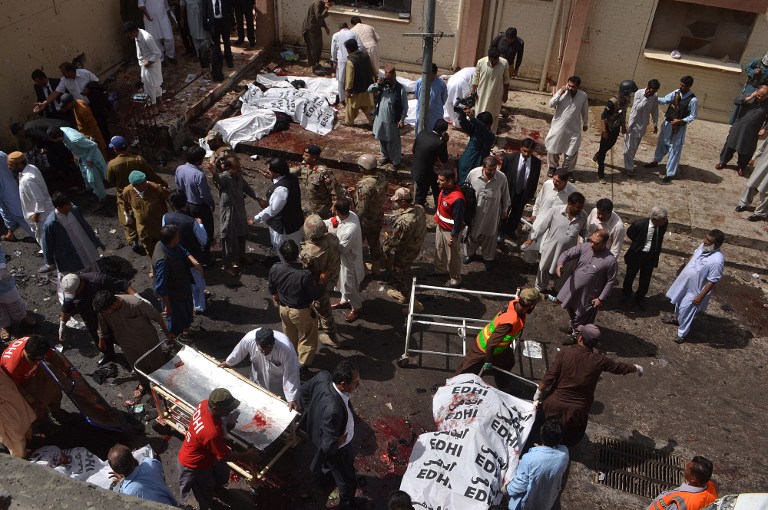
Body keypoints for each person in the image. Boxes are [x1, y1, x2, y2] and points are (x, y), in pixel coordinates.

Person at [535, 324, 642, 447]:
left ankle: (542, 444)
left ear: (580, 338)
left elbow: (549, 377)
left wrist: (537, 394)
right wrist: (635, 367)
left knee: (543, 424)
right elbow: (619, 367)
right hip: (577, 410)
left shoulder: (565, 353)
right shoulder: (600, 360)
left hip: (554, 404)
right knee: (571, 434)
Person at [299, 360, 365, 510]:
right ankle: (347, 503)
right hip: (338, 447)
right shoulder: (334, 410)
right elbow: (329, 447)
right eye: (355, 383)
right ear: (343, 384)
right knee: (347, 479)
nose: (357, 386)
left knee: (325, 465)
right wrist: (337, 441)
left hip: (316, 435)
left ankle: (324, 478)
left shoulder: (323, 376)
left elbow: (303, 392)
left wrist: (315, 414)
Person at [177, 388, 257, 510]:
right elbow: (225, 456)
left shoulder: (204, 404)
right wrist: (247, 455)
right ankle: (208, 505)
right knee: (205, 490)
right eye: (228, 408)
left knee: (218, 477)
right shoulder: (211, 433)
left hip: (204, 453)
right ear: (216, 408)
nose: (232, 409)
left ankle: (214, 492)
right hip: (195, 465)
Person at [454, 288, 540, 389]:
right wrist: (488, 362)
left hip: (500, 348)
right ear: (531, 305)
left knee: (508, 362)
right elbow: (491, 344)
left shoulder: (516, 304)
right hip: (483, 348)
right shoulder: (510, 321)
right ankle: (451, 387)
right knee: (467, 369)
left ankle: (503, 386)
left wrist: (548, 297)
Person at [268, 240, 326, 375]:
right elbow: (314, 295)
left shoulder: (276, 268)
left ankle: (289, 359)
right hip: (301, 312)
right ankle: (301, 366)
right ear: (298, 254)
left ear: (282, 254)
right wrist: (322, 282)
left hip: (283, 310)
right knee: (308, 338)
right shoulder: (304, 275)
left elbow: (272, 287)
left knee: (289, 336)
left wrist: (276, 296)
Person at [105, 135, 168, 254]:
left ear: (115, 149)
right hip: (140, 193)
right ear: (127, 147)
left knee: (126, 217)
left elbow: (109, 180)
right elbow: (150, 174)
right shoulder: (138, 159)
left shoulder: (112, 164)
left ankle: (133, 239)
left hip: (122, 194)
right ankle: (153, 235)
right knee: (142, 213)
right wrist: (162, 183)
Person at [662, 230, 725, 344]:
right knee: (678, 303)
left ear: (717, 244)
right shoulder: (703, 246)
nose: (704, 242)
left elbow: (712, 281)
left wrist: (700, 296)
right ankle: (676, 318)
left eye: (709, 241)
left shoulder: (717, 261)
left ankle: (682, 333)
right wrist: (683, 267)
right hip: (684, 283)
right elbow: (694, 255)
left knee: (687, 310)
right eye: (705, 238)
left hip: (695, 290)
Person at [93, 290, 174, 378]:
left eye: (105, 312)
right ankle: (144, 384)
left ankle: (160, 382)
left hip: (147, 341)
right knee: (138, 366)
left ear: (114, 305)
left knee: (156, 364)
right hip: (126, 344)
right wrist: (101, 339)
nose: (104, 314)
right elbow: (101, 326)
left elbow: (157, 317)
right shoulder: (103, 311)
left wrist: (167, 333)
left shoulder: (136, 304)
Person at [58, 272, 138, 360]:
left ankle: (136, 355)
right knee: (99, 340)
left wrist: (138, 299)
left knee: (122, 337)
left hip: (110, 313)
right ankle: (109, 355)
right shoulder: (70, 290)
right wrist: (62, 325)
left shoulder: (98, 280)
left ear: (81, 284)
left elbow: (123, 286)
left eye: (76, 292)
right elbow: (67, 307)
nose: (75, 295)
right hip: (90, 316)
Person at [555, 229, 617, 342]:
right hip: (573, 288)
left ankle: (577, 334)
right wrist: (560, 264)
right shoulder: (585, 247)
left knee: (582, 315)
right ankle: (573, 325)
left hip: (589, 294)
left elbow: (610, 281)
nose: (592, 245)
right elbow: (566, 254)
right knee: (570, 307)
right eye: (591, 241)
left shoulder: (610, 260)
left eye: (596, 243)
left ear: (604, 243)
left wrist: (601, 298)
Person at [219, 327, 300, 410]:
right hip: (258, 374)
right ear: (256, 343)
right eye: (262, 349)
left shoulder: (286, 349)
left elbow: (291, 372)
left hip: (278, 381)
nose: (265, 352)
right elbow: (239, 351)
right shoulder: (249, 339)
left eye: (268, 349)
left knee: (277, 403)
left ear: (274, 343)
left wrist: (291, 398)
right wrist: (228, 362)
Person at [524, 192, 587, 293]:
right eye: (577, 207)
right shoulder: (555, 211)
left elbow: (584, 232)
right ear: (570, 204)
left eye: (581, 207)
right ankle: (540, 288)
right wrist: (532, 239)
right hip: (551, 248)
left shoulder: (583, 216)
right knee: (543, 268)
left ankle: (557, 290)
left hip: (568, 252)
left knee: (564, 272)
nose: (579, 210)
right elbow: (542, 227)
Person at [505, 419, 569, 510]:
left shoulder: (529, 458)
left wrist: (508, 489)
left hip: (529, 501)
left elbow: (520, 484)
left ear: (541, 434)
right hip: (548, 497)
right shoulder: (564, 453)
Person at [644, 76, 698, 183]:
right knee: (661, 142)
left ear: (689, 86)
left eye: (683, 85)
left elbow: (693, 116)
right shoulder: (676, 92)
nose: (681, 87)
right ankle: (656, 161)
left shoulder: (693, 100)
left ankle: (670, 173)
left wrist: (681, 121)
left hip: (678, 127)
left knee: (675, 149)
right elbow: (665, 100)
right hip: (667, 123)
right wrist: (654, 97)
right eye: (680, 84)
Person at [42, 192, 104, 284]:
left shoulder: (74, 210)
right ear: (59, 207)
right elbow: (47, 244)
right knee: (77, 276)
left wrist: (95, 240)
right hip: (70, 255)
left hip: (85, 245)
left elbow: (85, 226)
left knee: (93, 266)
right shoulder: (51, 224)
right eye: (67, 204)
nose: (70, 205)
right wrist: (50, 262)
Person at [210, 155, 257, 275]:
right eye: (236, 168)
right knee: (228, 238)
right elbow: (218, 179)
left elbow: (247, 188)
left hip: (240, 211)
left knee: (242, 233)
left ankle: (241, 254)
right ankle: (227, 263)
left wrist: (258, 198)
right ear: (228, 168)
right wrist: (214, 172)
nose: (238, 171)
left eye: (239, 168)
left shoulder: (238, 177)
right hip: (229, 213)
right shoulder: (224, 177)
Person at [163, 190, 208, 313]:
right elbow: (203, 240)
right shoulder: (192, 222)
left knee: (181, 283)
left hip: (174, 258)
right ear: (186, 201)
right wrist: (201, 225)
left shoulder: (165, 217)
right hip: (192, 259)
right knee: (197, 285)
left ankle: (187, 302)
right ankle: (198, 307)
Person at [251, 158, 305, 263]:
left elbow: (272, 210)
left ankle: (285, 268)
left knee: (285, 250)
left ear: (277, 172)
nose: (268, 172)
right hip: (294, 222)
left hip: (284, 226)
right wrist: (271, 178)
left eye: (270, 171)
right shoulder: (292, 178)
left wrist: (255, 219)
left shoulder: (281, 190)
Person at [153, 225, 202, 337]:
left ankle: (186, 329)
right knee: (175, 321)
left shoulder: (167, 244)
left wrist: (195, 262)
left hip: (182, 288)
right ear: (172, 240)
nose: (179, 237)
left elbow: (182, 250)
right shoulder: (163, 261)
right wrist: (168, 306)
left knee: (186, 313)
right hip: (174, 296)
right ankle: (172, 341)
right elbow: (160, 288)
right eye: (177, 236)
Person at [300, 215, 341, 348]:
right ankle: (318, 321)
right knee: (319, 306)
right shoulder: (332, 238)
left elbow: (305, 272)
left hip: (318, 285)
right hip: (332, 277)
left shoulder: (308, 253)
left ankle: (332, 337)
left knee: (324, 311)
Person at [384, 187, 427, 312]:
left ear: (403, 201)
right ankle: (403, 294)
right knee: (404, 271)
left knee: (398, 276)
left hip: (405, 252)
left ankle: (414, 303)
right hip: (415, 247)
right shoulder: (420, 209)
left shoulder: (404, 221)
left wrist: (385, 249)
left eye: (397, 201)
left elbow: (394, 240)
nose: (396, 203)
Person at [1, 335, 64, 420]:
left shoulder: (36, 345)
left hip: (33, 371)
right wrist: (32, 401)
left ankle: (55, 410)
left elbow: (52, 356)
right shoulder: (12, 368)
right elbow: (17, 387)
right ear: (30, 355)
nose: (45, 357)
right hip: (21, 383)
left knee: (55, 388)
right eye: (41, 357)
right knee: (37, 407)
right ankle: (43, 422)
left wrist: (65, 369)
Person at [463, 156, 510, 270]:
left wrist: (505, 210)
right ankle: (470, 254)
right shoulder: (473, 174)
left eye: (494, 169)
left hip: (492, 213)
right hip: (475, 212)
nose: (493, 172)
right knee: (472, 233)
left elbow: (505, 194)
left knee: (490, 235)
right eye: (490, 170)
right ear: (483, 167)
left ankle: (488, 257)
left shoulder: (501, 177)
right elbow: (465, 189)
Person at [48, 127, 108, 208]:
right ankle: (89, 190)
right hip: (82, 157)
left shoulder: (74, 139)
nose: (52, 141)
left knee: (94, 179)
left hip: (91, 158)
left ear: (58, 137)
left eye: (53, 139)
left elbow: (93, 145)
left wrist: (89, 159)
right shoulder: (62, 130)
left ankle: (102, 199)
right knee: (85, 176)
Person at [621, 206, 668, 311]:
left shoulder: (663, 224)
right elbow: (630, 234)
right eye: (663, 219)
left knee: (645, 279)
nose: (665, 221)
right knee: (630, 275)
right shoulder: (639, 224)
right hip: (637, 254)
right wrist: (639, 243)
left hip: (651, 256)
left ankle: (640, 297)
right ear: (655, 219)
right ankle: (626, 294)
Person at [176, 146, 216, 264]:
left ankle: (193, 254)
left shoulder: (180, 169)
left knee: (191, 231)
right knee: (206, 232)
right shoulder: (199, 174)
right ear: (199, 160)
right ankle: (205, 260)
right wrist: (211, 203)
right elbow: (205, 195)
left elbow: (178, 186)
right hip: (199, 208)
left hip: (186, 205)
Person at [717, 85, 768, 176]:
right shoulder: (749, 96)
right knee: (730, 145)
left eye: (762, 96)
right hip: (738, 126)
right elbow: (736, 101)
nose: (759, 97)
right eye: (758, 95)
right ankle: (723, 162)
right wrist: (751, 97)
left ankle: (741, 167)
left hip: (753, 130)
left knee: (747, 149)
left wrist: (764, 128)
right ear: (756, 92)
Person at [123, 170, 170, 271]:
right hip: (144, 228)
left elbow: (168, 197)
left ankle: (169, 265)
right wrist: (127, 215)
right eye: (141, 184)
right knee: (149, 249)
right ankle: (154, 267)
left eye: (145, 182)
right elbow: (125, 204)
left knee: (165, 246)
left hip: (160, 225)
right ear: (134, 185)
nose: (144, 185)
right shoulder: (128, 191)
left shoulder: (155, 187)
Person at [327, 198, 364, 323]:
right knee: (342, 282)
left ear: (337, 211)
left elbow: (341, 250)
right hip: (343, 261)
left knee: (350, 287)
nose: (331, 209)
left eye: (333, 207)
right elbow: (333, 222)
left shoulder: (350, 230)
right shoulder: (350, 215)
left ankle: (356, 307)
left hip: (350, 262)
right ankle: (344, 301)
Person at [6, 152, 54, 247]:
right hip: (45, 213)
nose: (9, 167)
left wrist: (36, 215)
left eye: (10, 165)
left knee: (47, 243)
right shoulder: (31, 168)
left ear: (19, 164)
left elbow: (39, 199)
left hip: (41, 217)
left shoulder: (27, 179)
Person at [593, 80, 637, 183]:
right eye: (630, 93)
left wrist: (623, 126)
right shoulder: (612, 102)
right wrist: (604, 131)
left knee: (611, 144)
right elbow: (603, 116)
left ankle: (598, 155)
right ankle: (600, 175)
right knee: (603, 151)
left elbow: (623, 113)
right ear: (626, 92)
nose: (631, 95)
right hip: (607, 128)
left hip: (616, 128)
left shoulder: (626, 101)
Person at [544, 76, 589, 175]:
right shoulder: (561, 93)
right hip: (558, 127)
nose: (570, 88)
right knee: (553, 147)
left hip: (574, 129)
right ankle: (552, 167)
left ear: (578, 87)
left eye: (573, 87)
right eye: (569, 85)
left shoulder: (583, 96)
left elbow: (585, 110)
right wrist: (560, 93)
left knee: (572, 151)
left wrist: (585, 123)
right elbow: (551, 104)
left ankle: (567, 172)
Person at [107, 444, 178, 506]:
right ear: (132, 457)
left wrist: (123, 481)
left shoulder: (127, 493)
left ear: (116, 471)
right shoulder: (151, 463)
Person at [499, 138, 541, 241]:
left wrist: (529, 195)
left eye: (529, 152)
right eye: (524, 150)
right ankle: (500, 232)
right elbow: (502, 175)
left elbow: (534, 180)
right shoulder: (510, 158)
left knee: (516, 214)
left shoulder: (536, 163)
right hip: (508, 192)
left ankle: (510, 231)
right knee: (503, 213)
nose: (526, 154)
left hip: (523, 193)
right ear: (520, 148)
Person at [369, 66, 409, 169]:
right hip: (380, 119)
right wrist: (378, 84)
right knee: (382, 140)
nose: (389, 81)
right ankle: (385, 156)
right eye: (387, 79)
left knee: (393, 143)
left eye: (391, 79)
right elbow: (369, 89)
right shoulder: (383, 86)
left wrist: (402, 119)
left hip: (392, 121)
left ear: (395, 76)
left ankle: (396, 161)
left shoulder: (400, 89)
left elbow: (405, 106)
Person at [353, 154, 387, 273]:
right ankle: (376, 266)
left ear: (364, 168)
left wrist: (354, 221)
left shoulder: (365, 185)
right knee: (374, 240)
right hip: (378, 215)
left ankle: (362, 268)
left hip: (366, 220)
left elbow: (361, 210)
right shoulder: (381, 177)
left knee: (358, 242)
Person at [431, 168, 465, 288]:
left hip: (450, 232)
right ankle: (440, 270)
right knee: (439, 248)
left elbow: (459, 219)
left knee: (452, 257)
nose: (437, 182)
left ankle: (455, 279)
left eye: (441, 180)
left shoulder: (457, 199)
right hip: (440, 227)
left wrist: (454, 235)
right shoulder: (444, 190)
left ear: (450, 181)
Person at [124, 21, 165, 117]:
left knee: (150, 87)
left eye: (128, 33)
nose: (127, 36)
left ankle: (154, 108)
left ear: (133, 31)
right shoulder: (136, 36)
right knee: (154, 86)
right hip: (145, 65)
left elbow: (158, 53)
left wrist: (149, 62)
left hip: (151, 65)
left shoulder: (147, 38)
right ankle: (161, 105)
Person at [647, 456, 717, 510]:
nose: (685, 470)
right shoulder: (711, 486)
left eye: (687, 469)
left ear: (693, 479)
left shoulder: (680, 504)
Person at [0, 243, 36, 342]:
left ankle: (22, 317)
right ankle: (4, 325)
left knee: (13, 300)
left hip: (2, 281)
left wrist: (1, 268)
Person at [623, 79, 660, 177]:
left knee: (634, 146)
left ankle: (628, 160)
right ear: (648, 88)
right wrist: (645, 98)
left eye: (655, 91)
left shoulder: (655, 96)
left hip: (643, 125)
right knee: (630, 146)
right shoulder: (639, 93)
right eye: (652, 91)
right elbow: (637, 109)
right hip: (634, 123)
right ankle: (629, 168)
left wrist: (655, 123)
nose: (653, 93)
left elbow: (655, 110)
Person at [33, 62, 99, 114]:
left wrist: (89, 89)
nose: (63, 75)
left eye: (64, 73)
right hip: (82, 108)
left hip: (94, 104)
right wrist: (44, 103)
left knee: (101, 125)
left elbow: (97, 82)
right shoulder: (64, 80)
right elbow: (55, 93)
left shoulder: (84, 73)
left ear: (70, 71)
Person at [411, 118, 449, 207]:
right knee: (433, 193)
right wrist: (445, 143)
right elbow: (444, 159)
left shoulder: (421, 134)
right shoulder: (439, 143)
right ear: (443, 132)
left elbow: (413, 150)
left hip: (417, 169)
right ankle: (422, 211)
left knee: (421, 194)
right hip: (426, 174)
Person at [57, 94, 108, 159]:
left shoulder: (82, 110)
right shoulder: (78, 102)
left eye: (67, 105)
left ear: (71, 102)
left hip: (92, 135)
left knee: (100, 154)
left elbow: (92, 125)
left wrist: (93, 138)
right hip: (86, 134)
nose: (66, 107)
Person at [298, 145, 343, 219]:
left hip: (323, 209)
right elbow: (296, 170)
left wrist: (334, 206)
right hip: (311, 205)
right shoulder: (305, 166)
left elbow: (335, 191)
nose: (303, 157)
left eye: (306, 155)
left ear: (314, 158)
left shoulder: (323, 172)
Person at [472, 47, 510, 134]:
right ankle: (477, 135)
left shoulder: (504, 63)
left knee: (494, 116)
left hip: (496, 95)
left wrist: (505, 95)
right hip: (482, 95)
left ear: (498, 58)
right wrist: (473, 93)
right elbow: (475, 79)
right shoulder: (481, 62)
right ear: (488, 57)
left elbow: (506, 81)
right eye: (491, 60)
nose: (493, 63)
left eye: (495, 61)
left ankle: (491, 138)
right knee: (479, 115)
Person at [0, 368, 36, 458]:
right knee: (14, 434)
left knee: (21, 419)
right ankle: (21, 456)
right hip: (4, 408)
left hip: (8, 395)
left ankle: (28, 441)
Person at [0, 152, 34, 241]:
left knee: (23, 218)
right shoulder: (2, 154)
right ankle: (10, 233)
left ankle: (42, 239)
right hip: (15, 191)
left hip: (10, 198)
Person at [456, 107, 495, 184]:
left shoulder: (489, 136)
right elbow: (464, 123)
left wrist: (473, 119)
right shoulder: (475, 132)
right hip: (463, 168)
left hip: (474, 168)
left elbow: (482, 128)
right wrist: (462, 113)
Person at [344, 39, 376, 127]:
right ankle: (373, 122)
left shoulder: (351, 62)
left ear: (348, 50)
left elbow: (349, 78)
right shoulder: (366, 56)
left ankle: (349, 122)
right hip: (367, 87)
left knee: (351, 107)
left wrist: (348, 90)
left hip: (356, 89)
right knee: (367, 107)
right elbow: (374, 70)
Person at [735, 137, 768, 221]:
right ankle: (744, 203)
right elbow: (763, 147)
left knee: (765, 191)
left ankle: (759, 214)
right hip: (762, 165)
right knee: (751, 184)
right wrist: (754, 157)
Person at [730, 52, 768, 124]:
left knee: (756, 108)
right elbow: (747, 68)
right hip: (751, 87)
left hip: (763, 91)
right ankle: (735, 122)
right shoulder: (758, 60)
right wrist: (753, 72)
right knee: (743, 102)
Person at [330, 23, 363, 103]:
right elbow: (361, 46)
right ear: (347, 27)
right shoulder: (353, 34)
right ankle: (353, 97)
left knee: (341, 80)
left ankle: (342, 99)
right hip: (353, 59)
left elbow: (333, 50)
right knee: (352, 77)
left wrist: (334, 60)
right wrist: (357, 56)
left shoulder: (336, 35)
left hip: (341, 60)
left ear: (339, 28)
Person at [205, 0, 234, 82]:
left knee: (226, 42)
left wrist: (232, 23)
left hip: (224, 22)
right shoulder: (208, 1)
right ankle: (218, 60)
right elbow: (206, 12)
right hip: (214, 24)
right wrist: (206, 24)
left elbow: (230, 10)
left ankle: (229, 59)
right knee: (216, 45)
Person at [180, 0, 212, 73]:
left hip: (202, 14)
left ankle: (207, 55)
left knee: (205, 35)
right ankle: (199, 56)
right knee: (194, 35)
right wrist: (181, 17)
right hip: (191, 15)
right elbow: (182, 4)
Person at [415, 64, 448, 134]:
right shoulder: (420, 82)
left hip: (435, 116)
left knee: (434, 136)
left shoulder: (441, 85)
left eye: (430, 74)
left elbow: (444, 99)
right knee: (420, 135)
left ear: (435, 74)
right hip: (421, 114)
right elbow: (418, 96)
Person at [303, 0, 334, 70]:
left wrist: (325, 27)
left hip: (316, 28)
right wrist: (326, 9)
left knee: (319, 47)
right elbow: (319, 17)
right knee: (312, 48)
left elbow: (321, 18)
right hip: (310, 29)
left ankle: (316, 63)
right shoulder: (317, 4)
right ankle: (312, 65)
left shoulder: (321, 4)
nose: (332, 5)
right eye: (331, 4)